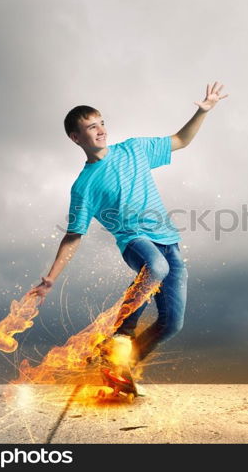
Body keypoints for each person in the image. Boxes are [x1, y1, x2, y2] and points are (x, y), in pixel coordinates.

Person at [28, 82, 228, 381]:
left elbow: (181, 140)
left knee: (172, 323)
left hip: (169, 241)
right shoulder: (84, 186)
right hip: (134, 240)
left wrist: (203, 111)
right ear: (75, 137)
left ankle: (124, 366)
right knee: (155, 266)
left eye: (102, 123)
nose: (100, 130)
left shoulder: (135, 149)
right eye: (91, 127)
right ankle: (121, 334)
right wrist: (50, 278)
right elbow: (73, 235)